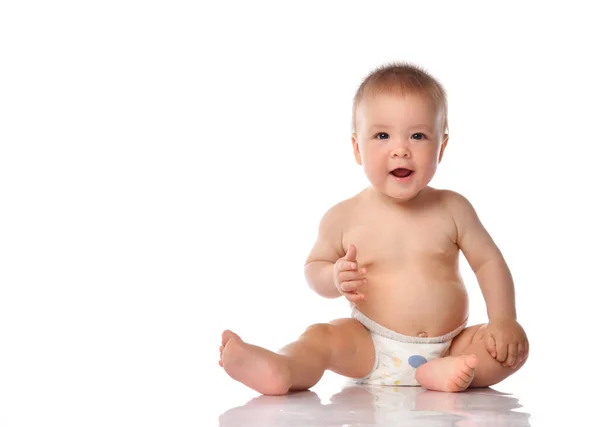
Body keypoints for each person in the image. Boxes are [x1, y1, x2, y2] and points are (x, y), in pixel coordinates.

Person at [218, 62, 529, 395]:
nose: (400, 148)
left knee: (510, 347)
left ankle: (440, 372)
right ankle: (283, 368)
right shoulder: (344, 216)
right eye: (382, 135)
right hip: (370, 344)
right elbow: (313, 268)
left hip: (453, 344)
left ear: (441, 147)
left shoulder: (454, 208)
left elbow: (488, 263)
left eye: (418, 135)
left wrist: (503, 320)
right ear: (356, 148)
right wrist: (334, 277)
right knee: (321, 338)